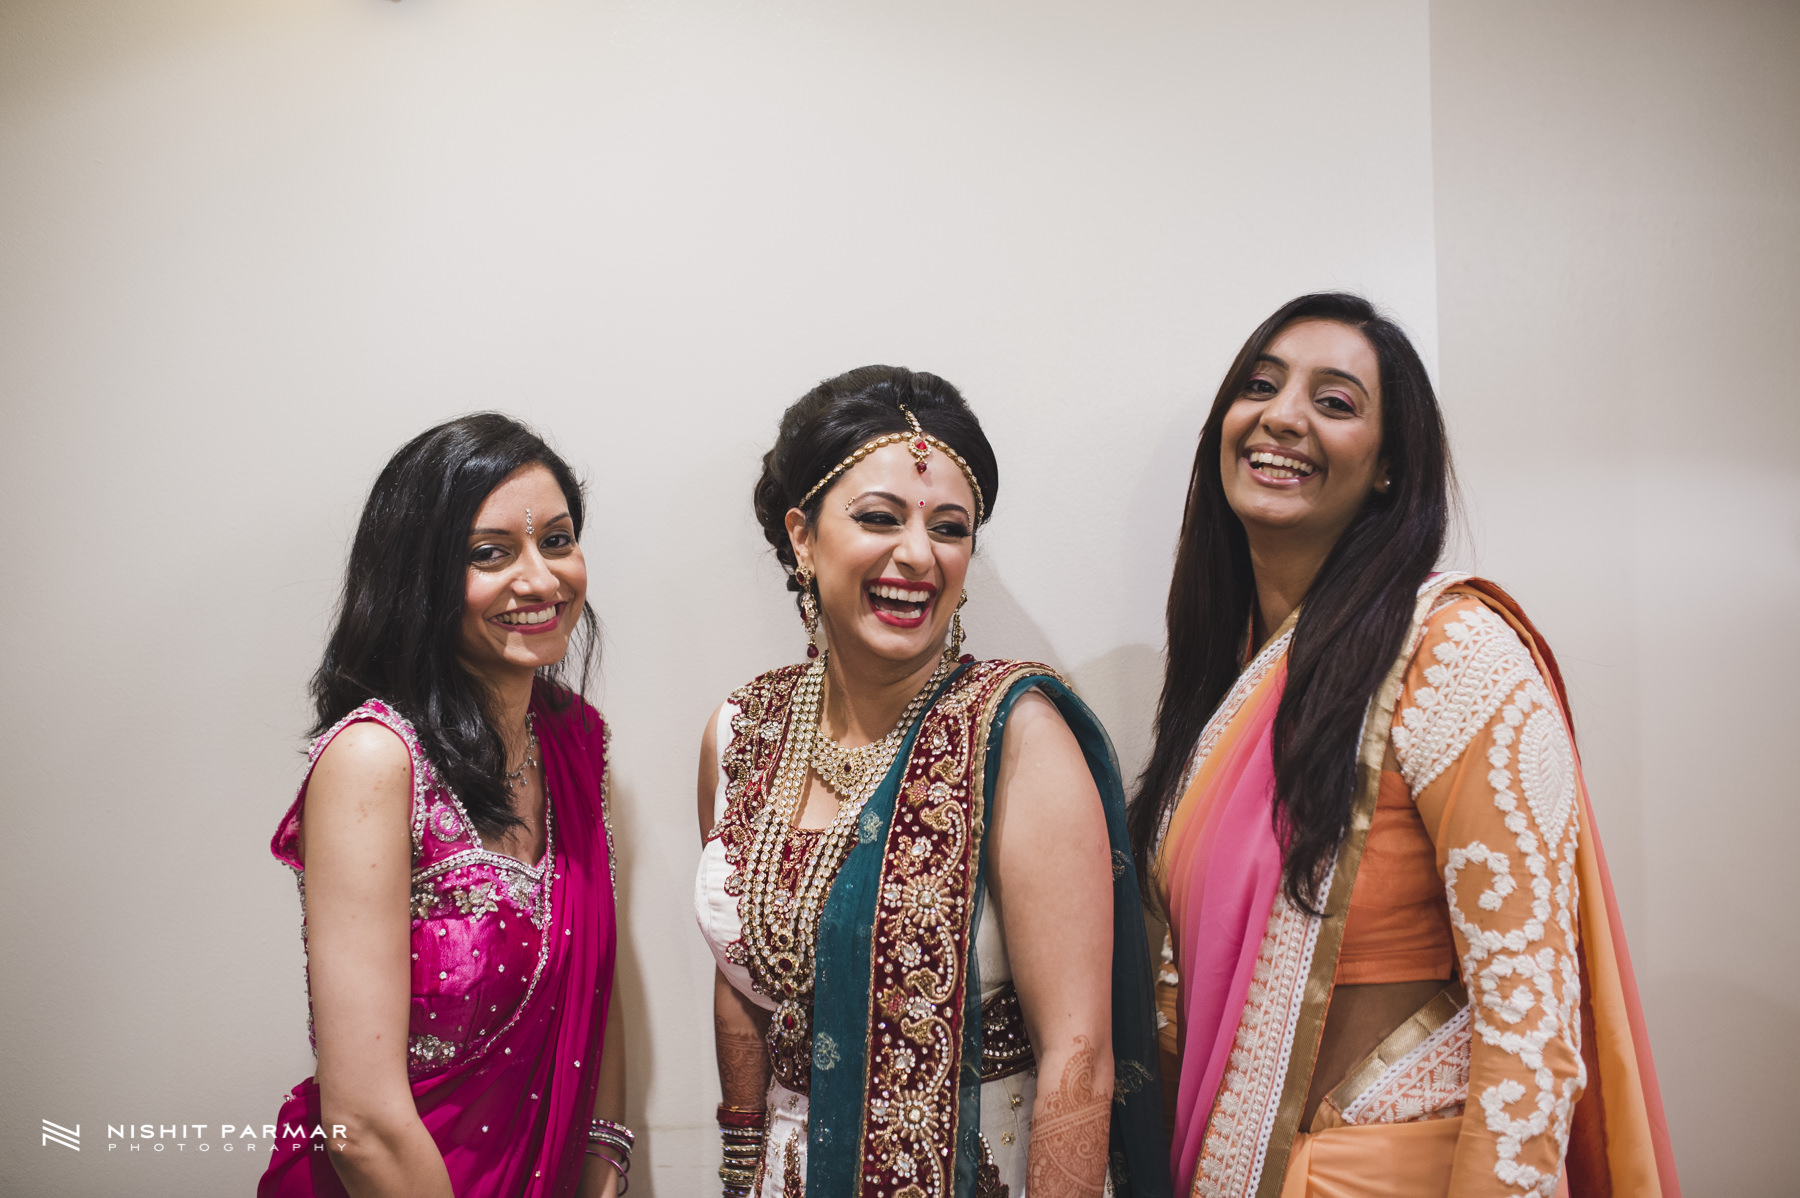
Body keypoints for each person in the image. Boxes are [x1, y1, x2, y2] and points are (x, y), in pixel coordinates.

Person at [1129, 294, 1679, 1197]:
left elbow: (1530, 1027)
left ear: (1389, 469)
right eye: (1259, 386)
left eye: (1336, 402)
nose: (1282, 416)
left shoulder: (1450, 650)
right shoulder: (1224, 690)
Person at [693, 366, 1169, 1198]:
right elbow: (740, 977)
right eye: (879, 517)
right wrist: (740, 1169)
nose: (917, 554)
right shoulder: (744, 730)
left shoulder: (1014, 733)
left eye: (949, 528)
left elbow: (1079, 1056)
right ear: (802, 537)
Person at [260, 414, 630, 1198]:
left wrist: (603, 1171)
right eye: (490, 554)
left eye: (557, 540)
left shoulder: (575, 741)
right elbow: (361, 1125)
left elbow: (600, 1001)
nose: (541, 579)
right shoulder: (374, 761)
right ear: (417, 578)